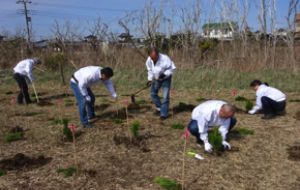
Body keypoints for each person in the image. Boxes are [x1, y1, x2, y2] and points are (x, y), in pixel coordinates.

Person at [146, 47, 176, 120]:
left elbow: (172, 68)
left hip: (166, 79)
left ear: (158, 54)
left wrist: (165, 74)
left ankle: (163, 114)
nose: (153, 59)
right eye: (152, 58)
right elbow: (150, 70)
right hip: (156, 79)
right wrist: (149, 80)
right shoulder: (149, 60)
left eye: (155, 58)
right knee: (152, 93)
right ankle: (159, 108)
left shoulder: (165, 58)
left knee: (165, 97)